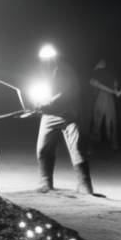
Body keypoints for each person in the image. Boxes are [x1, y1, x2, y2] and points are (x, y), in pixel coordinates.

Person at [33, 43, 94, 194]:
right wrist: (38, 102)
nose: (46, 62)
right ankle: (45, 182)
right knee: (43, 148)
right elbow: (37, 91)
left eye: (48, 59)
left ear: (55, 58)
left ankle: (85, 185)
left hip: (69, 114)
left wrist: (49, 102)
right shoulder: (42, 72)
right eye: (43, 59)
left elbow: (69, 92)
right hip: (50, 115)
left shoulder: (66, 70)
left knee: (77, 148)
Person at [89, 59, 121, 150]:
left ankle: (111, 143)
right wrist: (114, 91)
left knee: (109, 121)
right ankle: (96, 144)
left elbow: (115, 84)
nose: (101, 63)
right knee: (100, 121)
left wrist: (116, 91)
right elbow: (94, 83)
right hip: (102, 96)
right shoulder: (96, 71)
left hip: (104, 97)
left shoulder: (104, 71)